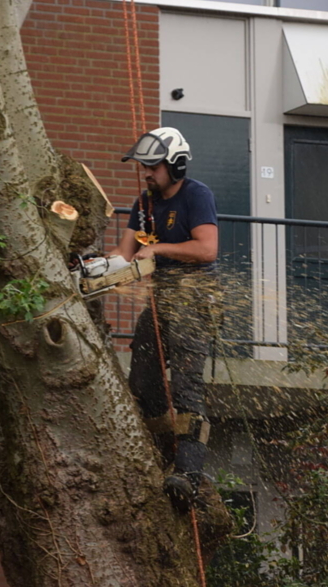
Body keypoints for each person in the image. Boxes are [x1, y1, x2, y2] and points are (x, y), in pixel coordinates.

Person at [111, 126, 220, 511]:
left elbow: (207, 249)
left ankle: (188, 475)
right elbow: (125, 255)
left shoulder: (196, 195)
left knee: (187, 389)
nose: (146, 174)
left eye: (153, 167)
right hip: (160, 300)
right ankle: (158, 451)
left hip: (193, 298)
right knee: (142, 379)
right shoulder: (144, 202)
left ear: (175, 166)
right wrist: (96, 269)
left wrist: (158, 249)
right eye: (144, 167)